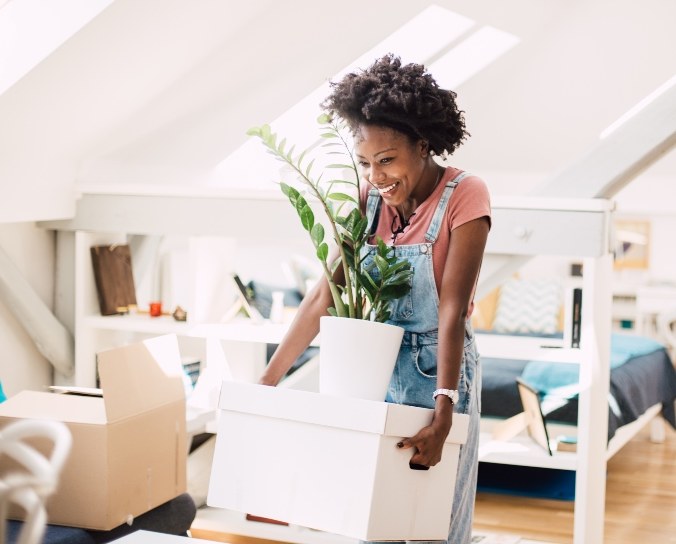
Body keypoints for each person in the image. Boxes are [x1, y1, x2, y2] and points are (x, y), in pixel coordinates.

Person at [259, 54, 491, 544]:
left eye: (387, 160)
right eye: (365, 163)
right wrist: (268, 379)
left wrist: (443, 412)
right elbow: (326, 294)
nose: (376, 176)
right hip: (375, 372)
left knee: (435, 525)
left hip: (440, 373)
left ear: (423, 145)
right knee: (376, 522)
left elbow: (451, 311)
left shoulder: (466, 195)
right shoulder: (368, 201)